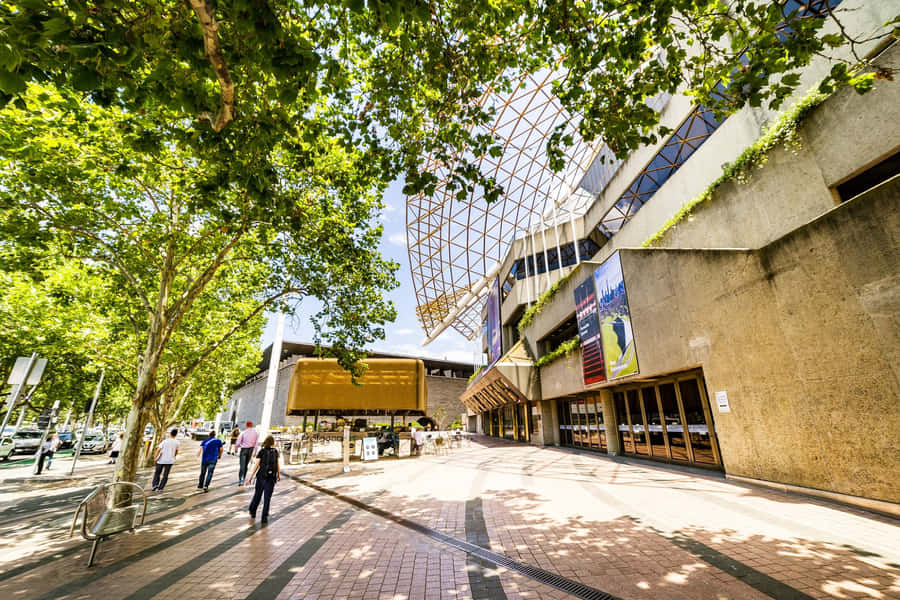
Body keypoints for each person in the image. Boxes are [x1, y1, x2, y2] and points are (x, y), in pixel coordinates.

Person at [245, 434, 280, 523]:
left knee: (257, 495)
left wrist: (250, 477)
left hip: (261, 477)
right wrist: (278, 475)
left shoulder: (262, 451)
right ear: (273, 442)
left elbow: (256, 465)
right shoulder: (276, 451)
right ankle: (264, 516)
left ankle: (252, 511)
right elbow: (278, 465)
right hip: (271, 478)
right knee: (267, 497)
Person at [234, 421, 258, 486]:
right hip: (251, 449)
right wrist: (255, 452)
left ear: (246, 426)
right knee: (246, 465)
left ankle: (241, 480)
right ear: (252, 425)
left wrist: (236, 449)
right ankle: (243, 478)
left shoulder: (243, 432)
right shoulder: (255, 433)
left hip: (244, 449)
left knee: (242, 465)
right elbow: (256, 443)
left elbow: (238, 442)